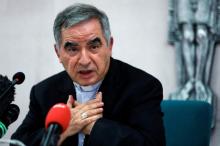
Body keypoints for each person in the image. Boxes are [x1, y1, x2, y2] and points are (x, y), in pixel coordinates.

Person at [11, 3, 165, 146]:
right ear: (58, 52)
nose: (84, 60)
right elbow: (19, 142)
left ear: (109, 46)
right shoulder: (43, 92)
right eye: (72, 49)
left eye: (94, 46)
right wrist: (64, 129)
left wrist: (93, 126)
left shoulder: (142, 86)